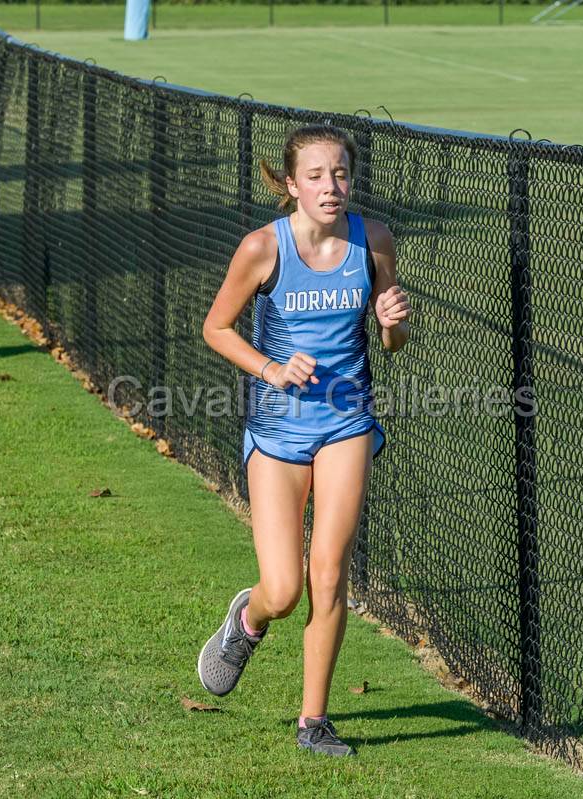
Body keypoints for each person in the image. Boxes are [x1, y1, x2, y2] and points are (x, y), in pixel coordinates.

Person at [197, 123, 411, 757]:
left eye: (340, 174)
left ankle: (313, 722)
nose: (331, 186)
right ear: (290, 184)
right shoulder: (263, 248)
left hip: (347, 422)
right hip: (277, 429)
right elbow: (215, 327)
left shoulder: (372, 240)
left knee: (329, 573)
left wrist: (394, 325)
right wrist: (270, 367)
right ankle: (247, 620)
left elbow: (392, 343)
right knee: (285, 590)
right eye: (316, 176)